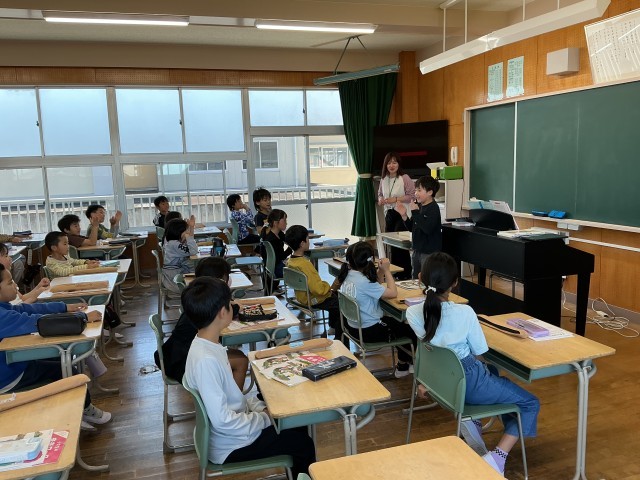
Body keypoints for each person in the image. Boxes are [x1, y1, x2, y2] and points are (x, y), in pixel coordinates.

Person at [406, 252, 540, 475]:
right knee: (530, 403)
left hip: (440, 382)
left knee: (493, 372)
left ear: (420, 278)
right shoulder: (465, 312)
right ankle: (497, 458)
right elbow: (480, 353)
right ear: (455, 283)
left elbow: (431, 348)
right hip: (468, 381)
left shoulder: (412, 313)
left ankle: (473, 421)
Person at [182, 277, 316, 478]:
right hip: (231, 444)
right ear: (222, 312)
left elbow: (231, 402)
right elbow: (223, 421)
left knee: (295, 421)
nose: (233, 306)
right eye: (230, 303)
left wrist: (258, 409)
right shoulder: (206, 361)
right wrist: (264, 418)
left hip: (231, 434)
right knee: (302, 443)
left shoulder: (205, 344)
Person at [0, 263, 110, 430]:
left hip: (13, 366)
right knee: (68, 371)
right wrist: (83, 317)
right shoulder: (2, 316)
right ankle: (80, 411)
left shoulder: (3, 308)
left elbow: (27, 309)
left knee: (61, 358)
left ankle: (75, 409)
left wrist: (64, 307)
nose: (15, 285)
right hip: (9, 378)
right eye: (10, 283)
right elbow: (37, 322)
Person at [153, 256, 249, 389]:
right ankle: (232, 397)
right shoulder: (212, 308)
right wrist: (235, 307)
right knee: (241, 360)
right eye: (226, 278)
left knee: (234, 356)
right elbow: (223, 312)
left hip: (174, 355)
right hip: (180, 362)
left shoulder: (199, 300)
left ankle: (228, 391)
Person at [337, 241, 417, 377]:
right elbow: (393, 293)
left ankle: (404, 363)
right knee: (409, 329)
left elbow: (376, 285)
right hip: (369, 331)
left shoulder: (348, 275)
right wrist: (387, 270)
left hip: (353, 328)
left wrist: (380, 271)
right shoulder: (363, 282)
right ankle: (404, 365)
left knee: (396, 324)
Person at [284, 225, 344, 343]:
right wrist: (329, 287)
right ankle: (339, 339)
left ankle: (332, 327)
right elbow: (318, 290)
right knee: (341, 304)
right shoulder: (305, 264)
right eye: (307, 238)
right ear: (302, 243)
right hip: (312, 299)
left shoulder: (291, 261)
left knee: (334, 298)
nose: (309, 241)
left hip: (301, 297)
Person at [395, 175, 442, 279]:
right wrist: (404, 216)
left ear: (430, 192)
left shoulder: (433, 208)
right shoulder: (419, 207)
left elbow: (427, 229)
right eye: (416, 190)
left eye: (419, 190)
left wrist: (415, 212)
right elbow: (412, 228)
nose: (416, 193)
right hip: (417, 250)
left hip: (429, 253)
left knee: (426, 279)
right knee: (415, 278)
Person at [377, 152, 415, 279]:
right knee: (392, 245)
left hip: (402, 213)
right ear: (385, 165)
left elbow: (412, 196)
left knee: (401, 245)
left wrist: (396, 199)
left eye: (394, 162)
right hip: (389, 213)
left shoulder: (404, 178)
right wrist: (381, 200)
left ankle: (405, 274)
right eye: (389, 163)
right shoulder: (383, 179)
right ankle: (396, 274)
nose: (391, 165)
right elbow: (380, 194)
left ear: (399, 164)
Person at [162, 217, 198, 294]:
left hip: (176, 271)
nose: (187, 232)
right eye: (186, 230)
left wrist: (191, 228)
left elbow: (190, 247)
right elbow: (193, 251)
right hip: (173, 277)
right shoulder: (174, 244)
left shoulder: (173, 242)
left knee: (196, 270)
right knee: (198, 275)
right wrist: (189, 237)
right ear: (179, 232)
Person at [261, 209, 291, 294]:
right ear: (275, 223)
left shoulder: (278, 234)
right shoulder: (273, 239)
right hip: (276, 269)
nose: (286, 223)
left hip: (271, 268)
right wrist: (290, 250)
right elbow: (280, 257)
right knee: (300, 269)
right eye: (284, 220)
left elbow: (287, 240)